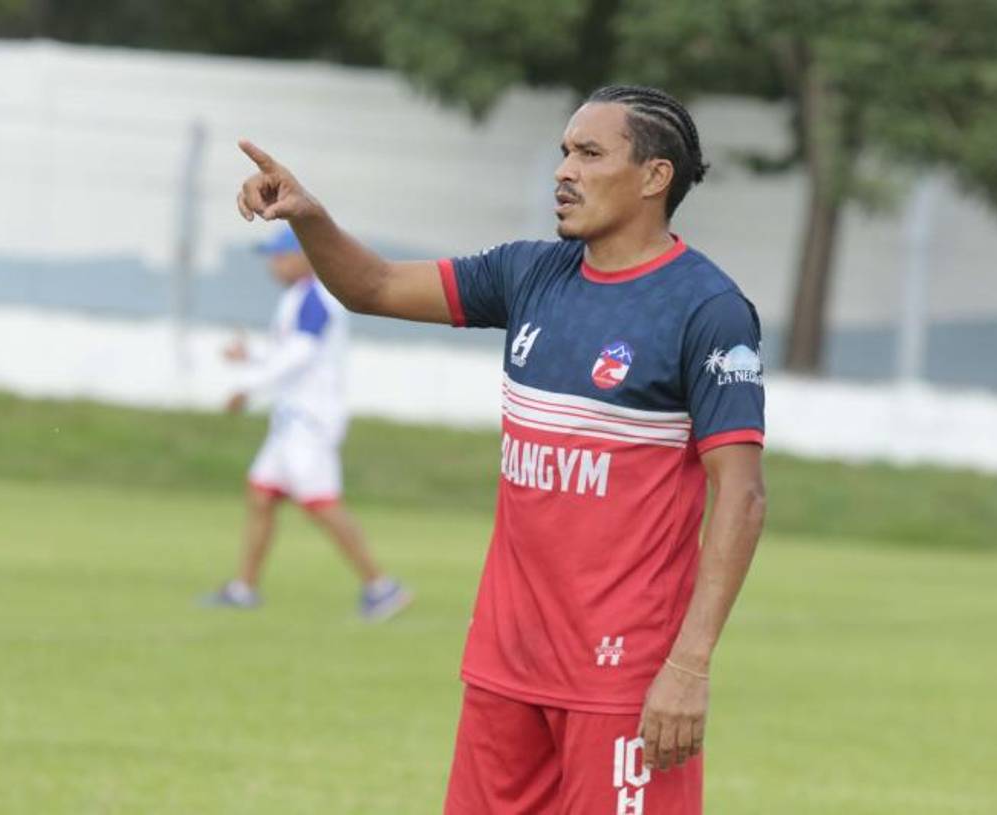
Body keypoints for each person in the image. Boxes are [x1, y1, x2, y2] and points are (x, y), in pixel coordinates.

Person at [236, 85, 766, 813]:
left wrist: (690, 663)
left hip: (621, 677)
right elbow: (376, 284)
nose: (563, 171)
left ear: (654, 177)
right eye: (562, 154)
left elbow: (741, 492)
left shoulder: (706, 310)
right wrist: (311, 217)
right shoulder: (530, 275)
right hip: (505, 665)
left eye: (589, 153)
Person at [204, 226, 412, 622]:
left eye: (280, 256)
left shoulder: (317, 297)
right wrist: (250, 356)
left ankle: (382, 587)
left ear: (305, 256)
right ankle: (244, 588)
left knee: (321, 504)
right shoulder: (298, 299)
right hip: (290, 422)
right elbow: (288, 352)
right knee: (261, 495)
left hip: (310, 422)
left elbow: (299, 355)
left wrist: (247, 386)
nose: (273, 264)